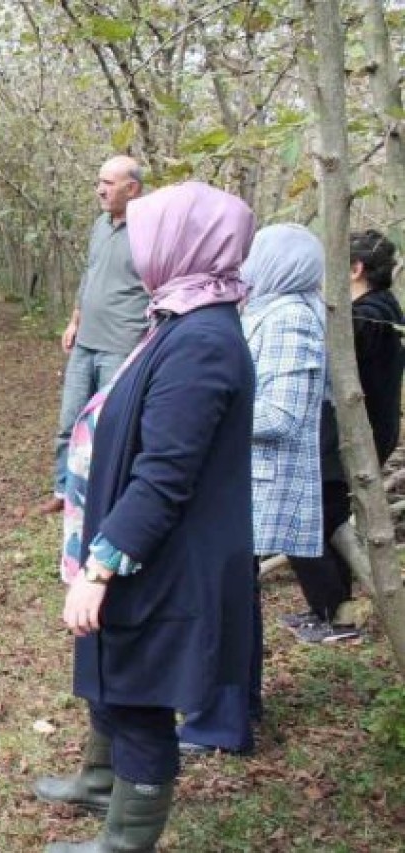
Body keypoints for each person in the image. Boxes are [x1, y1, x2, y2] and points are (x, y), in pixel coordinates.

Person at [34, 182, 256, 852]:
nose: (135, 245)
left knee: (139, 694)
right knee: (116, 670)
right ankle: (102, 782)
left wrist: (100, 566)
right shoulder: (179, 317)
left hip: (163, 556)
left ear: (183, 242)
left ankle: (124, 842)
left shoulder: (202, 342)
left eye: (147, 231)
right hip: (144, 547)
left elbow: (164, 474)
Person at [178, 224, 327, 756]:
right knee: (234, 599)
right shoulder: (272, 310)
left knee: (222, 601)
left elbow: (282, 414)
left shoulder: (289, 317)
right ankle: (236, 706)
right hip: (245, 481)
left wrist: (208, 414)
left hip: (259, 483)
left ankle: (219, 721)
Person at [285, 230, 403, 644]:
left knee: (311, 517)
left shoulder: (368, 317)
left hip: (354, 438)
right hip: (360, 434)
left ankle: (334, 615)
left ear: (354, 270)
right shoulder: (380, 310)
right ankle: (336, 612)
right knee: (327, 514)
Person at [39, 156, 149, 516]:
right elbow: (89, 276)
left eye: (109, 183)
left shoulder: (150, 230)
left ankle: (104, 499)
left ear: (132, 188)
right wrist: (74, 321)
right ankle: (63, 489)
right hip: (86, 342)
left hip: (122, 345)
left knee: (110, 427)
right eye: (99, 181)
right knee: (69, 421)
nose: (100, 189)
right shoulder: (100, 226)